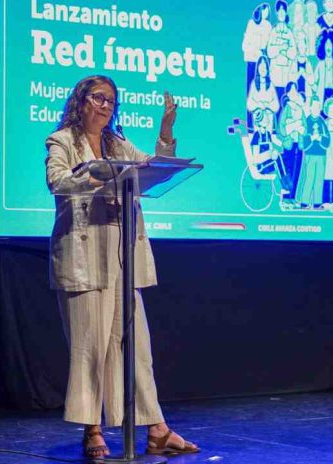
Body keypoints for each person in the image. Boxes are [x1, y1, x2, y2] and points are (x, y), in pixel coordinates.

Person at [45, 75, 200, 459]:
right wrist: (92, 175)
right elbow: (56, 182)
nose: (105, 106)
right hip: (84, 254)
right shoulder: (61, 140)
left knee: (136, 346)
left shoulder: (116, 143)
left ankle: (157, 429)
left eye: (111, 101)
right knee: (90, 347)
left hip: (120, 253)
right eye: (98, 98)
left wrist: (166, 132)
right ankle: (92, 429)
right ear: (81, 101)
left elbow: (153, 167)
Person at [297, 95, 330, 209]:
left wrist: (320, 138)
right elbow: (303, 139)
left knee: (319, 179)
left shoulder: (322, 122)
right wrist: (311, 138)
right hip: (310, 154)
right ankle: (304, 202)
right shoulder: (306, 121)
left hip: (321, 155)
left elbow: (328, 140)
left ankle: (317, 203)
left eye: (318, 107)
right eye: (314, 106)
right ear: (310, 107)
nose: (316, 109)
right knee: (309, 178)